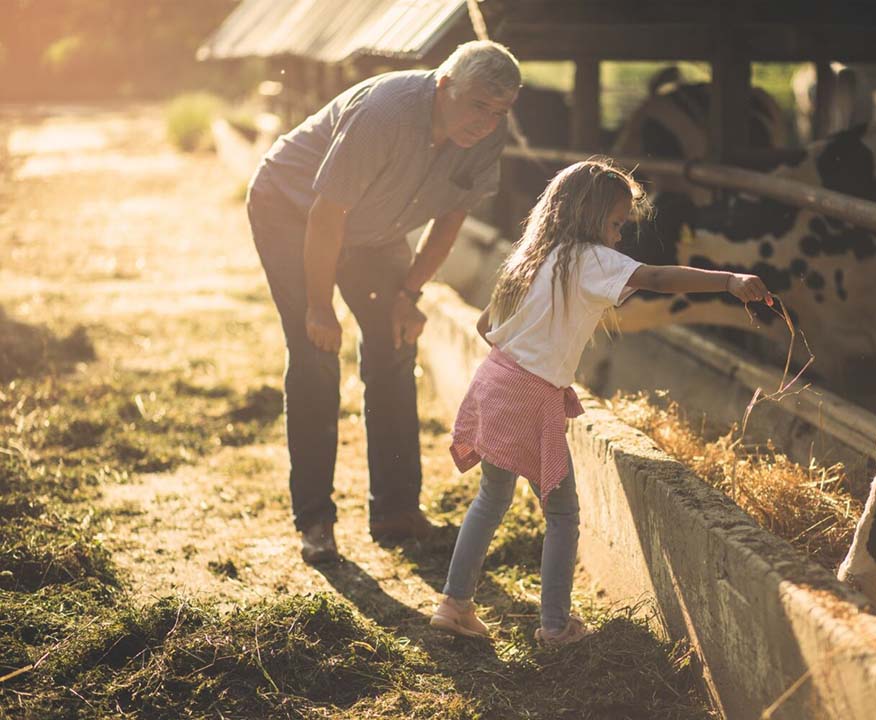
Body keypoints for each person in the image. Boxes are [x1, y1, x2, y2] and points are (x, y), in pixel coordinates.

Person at [431, 158, 773, 645]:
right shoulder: (587, 258)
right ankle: (555, 626)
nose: (618, 237)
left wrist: (530, 346)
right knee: (563, 513)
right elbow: (654, 279)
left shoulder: (530, 255)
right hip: (530, 392)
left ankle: (453, 603)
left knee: (491, 498)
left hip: (494, 379)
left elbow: (484, 325)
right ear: (590, 217)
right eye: (615, 224)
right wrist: (728, 282)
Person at [245, 41, 521, 563]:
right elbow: (326, 217)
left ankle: (395, 511)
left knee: (395, 343)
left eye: (499, 111)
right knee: (316, 353)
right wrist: (320, 307)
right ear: (445, 87)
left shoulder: (486, 133)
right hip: (294, 210)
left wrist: (407, 295)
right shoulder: (385, 114)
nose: (486, 122)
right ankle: (316, 522)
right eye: (478, 106)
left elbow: (450, 222)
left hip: (375, 226)